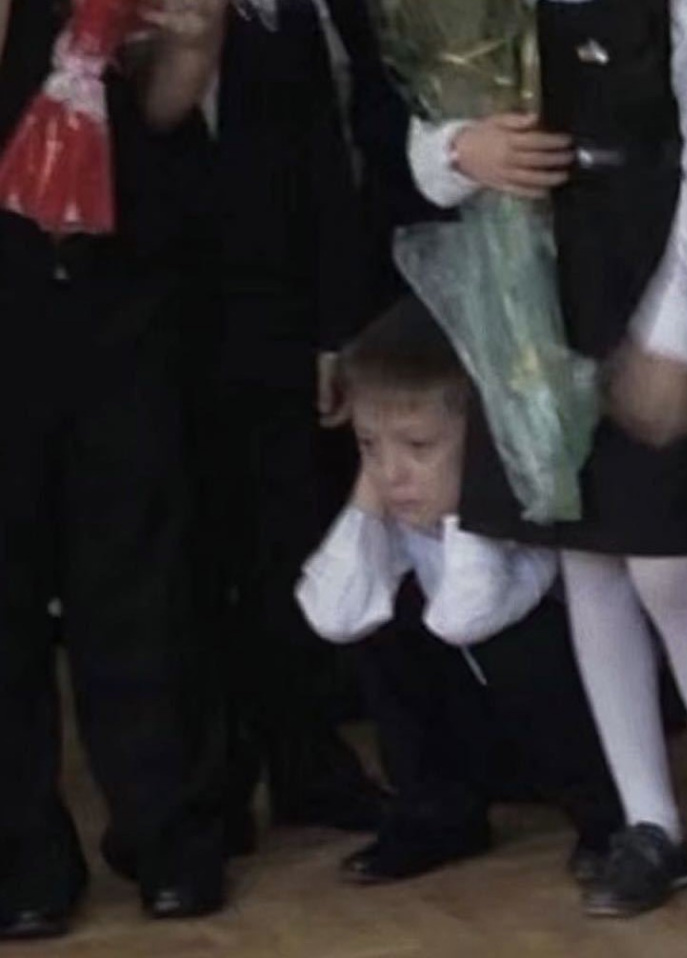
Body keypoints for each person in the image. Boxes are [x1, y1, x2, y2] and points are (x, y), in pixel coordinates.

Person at [405, 0, 687, 919]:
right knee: (588, 566)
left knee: (669, 567)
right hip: (531, 280)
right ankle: (649, 820)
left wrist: (679, 332)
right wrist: (461, 150)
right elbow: (428, 126)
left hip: (650, 276)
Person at [0, 0, 228, 941]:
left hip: (121, 281)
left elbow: (163, 107)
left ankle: (166, 834)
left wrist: (194, 39)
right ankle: (22, 857)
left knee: (139, 567)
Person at [296, 296, 624, 885]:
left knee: (516, 638)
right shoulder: (396, 497)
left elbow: (467, 617)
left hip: (570, 731)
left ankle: (606, 818)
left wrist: (474, 494)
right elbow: (332, 614)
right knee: (377, 609)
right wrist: (366, 497)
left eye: (418, 447)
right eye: (369, 445)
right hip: (485, 732)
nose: (392, 472)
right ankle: (437, 813)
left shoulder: (527, 517)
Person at [192, 0, 415, 849]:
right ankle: (205, 788)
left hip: (276, 315)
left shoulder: (282, 13)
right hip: (148, 321)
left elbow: (323, 163)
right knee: (181, 561)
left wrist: (332, 331)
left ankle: (307, 762)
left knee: (285, 540)